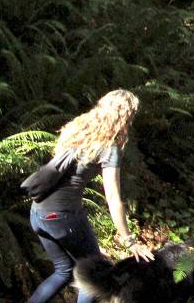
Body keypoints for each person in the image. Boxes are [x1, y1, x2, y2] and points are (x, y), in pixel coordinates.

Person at [29, 89, 154, 303]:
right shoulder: (109, 147)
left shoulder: (77, 128)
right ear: (125, 116)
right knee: (94, 274)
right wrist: (129, 241)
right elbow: (113, 198)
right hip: (62, 217)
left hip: (38, 213)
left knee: (64, 271)